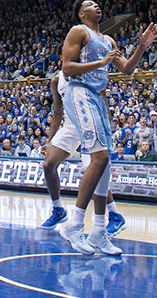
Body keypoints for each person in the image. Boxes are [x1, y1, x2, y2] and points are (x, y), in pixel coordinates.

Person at [57, 0, 157, 256]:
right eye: (90, 4)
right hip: (80, 93)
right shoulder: (79, 32)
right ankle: (75, 223)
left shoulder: (109, 41)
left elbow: (126, 69)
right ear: (81, 13)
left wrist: (142, 47)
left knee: (105, 165)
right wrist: (100, 64)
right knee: (99, 158)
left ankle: (99, 231)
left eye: (97, 3)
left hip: (98, 99)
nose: (97, 5)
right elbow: (67, 68)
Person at [39, 71, 126, 237]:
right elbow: (57, 112)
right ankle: (58, 210)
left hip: (91, 124)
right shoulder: (56, 80)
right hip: (71, 126)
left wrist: (106, 129)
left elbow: (103, 101)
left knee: (92, 170)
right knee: (48, 164)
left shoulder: (88, 73)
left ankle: (114, 214)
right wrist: (50, 141)